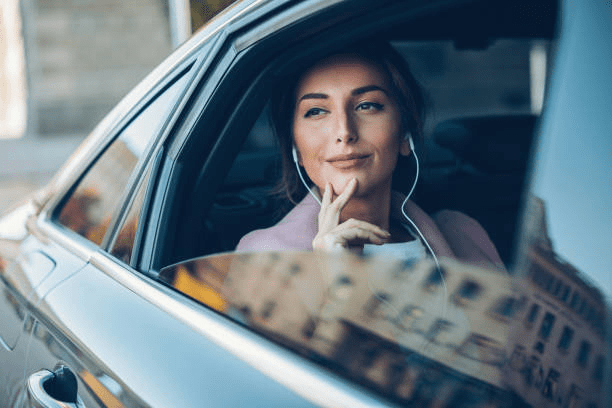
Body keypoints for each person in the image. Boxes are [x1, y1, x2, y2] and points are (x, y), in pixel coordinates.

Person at [236, 41, 504, 272]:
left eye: (367, 106)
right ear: (295, 147)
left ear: (404, 134)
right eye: (316, 111)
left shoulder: (463, 235)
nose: (344, 132)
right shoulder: (264, 257)